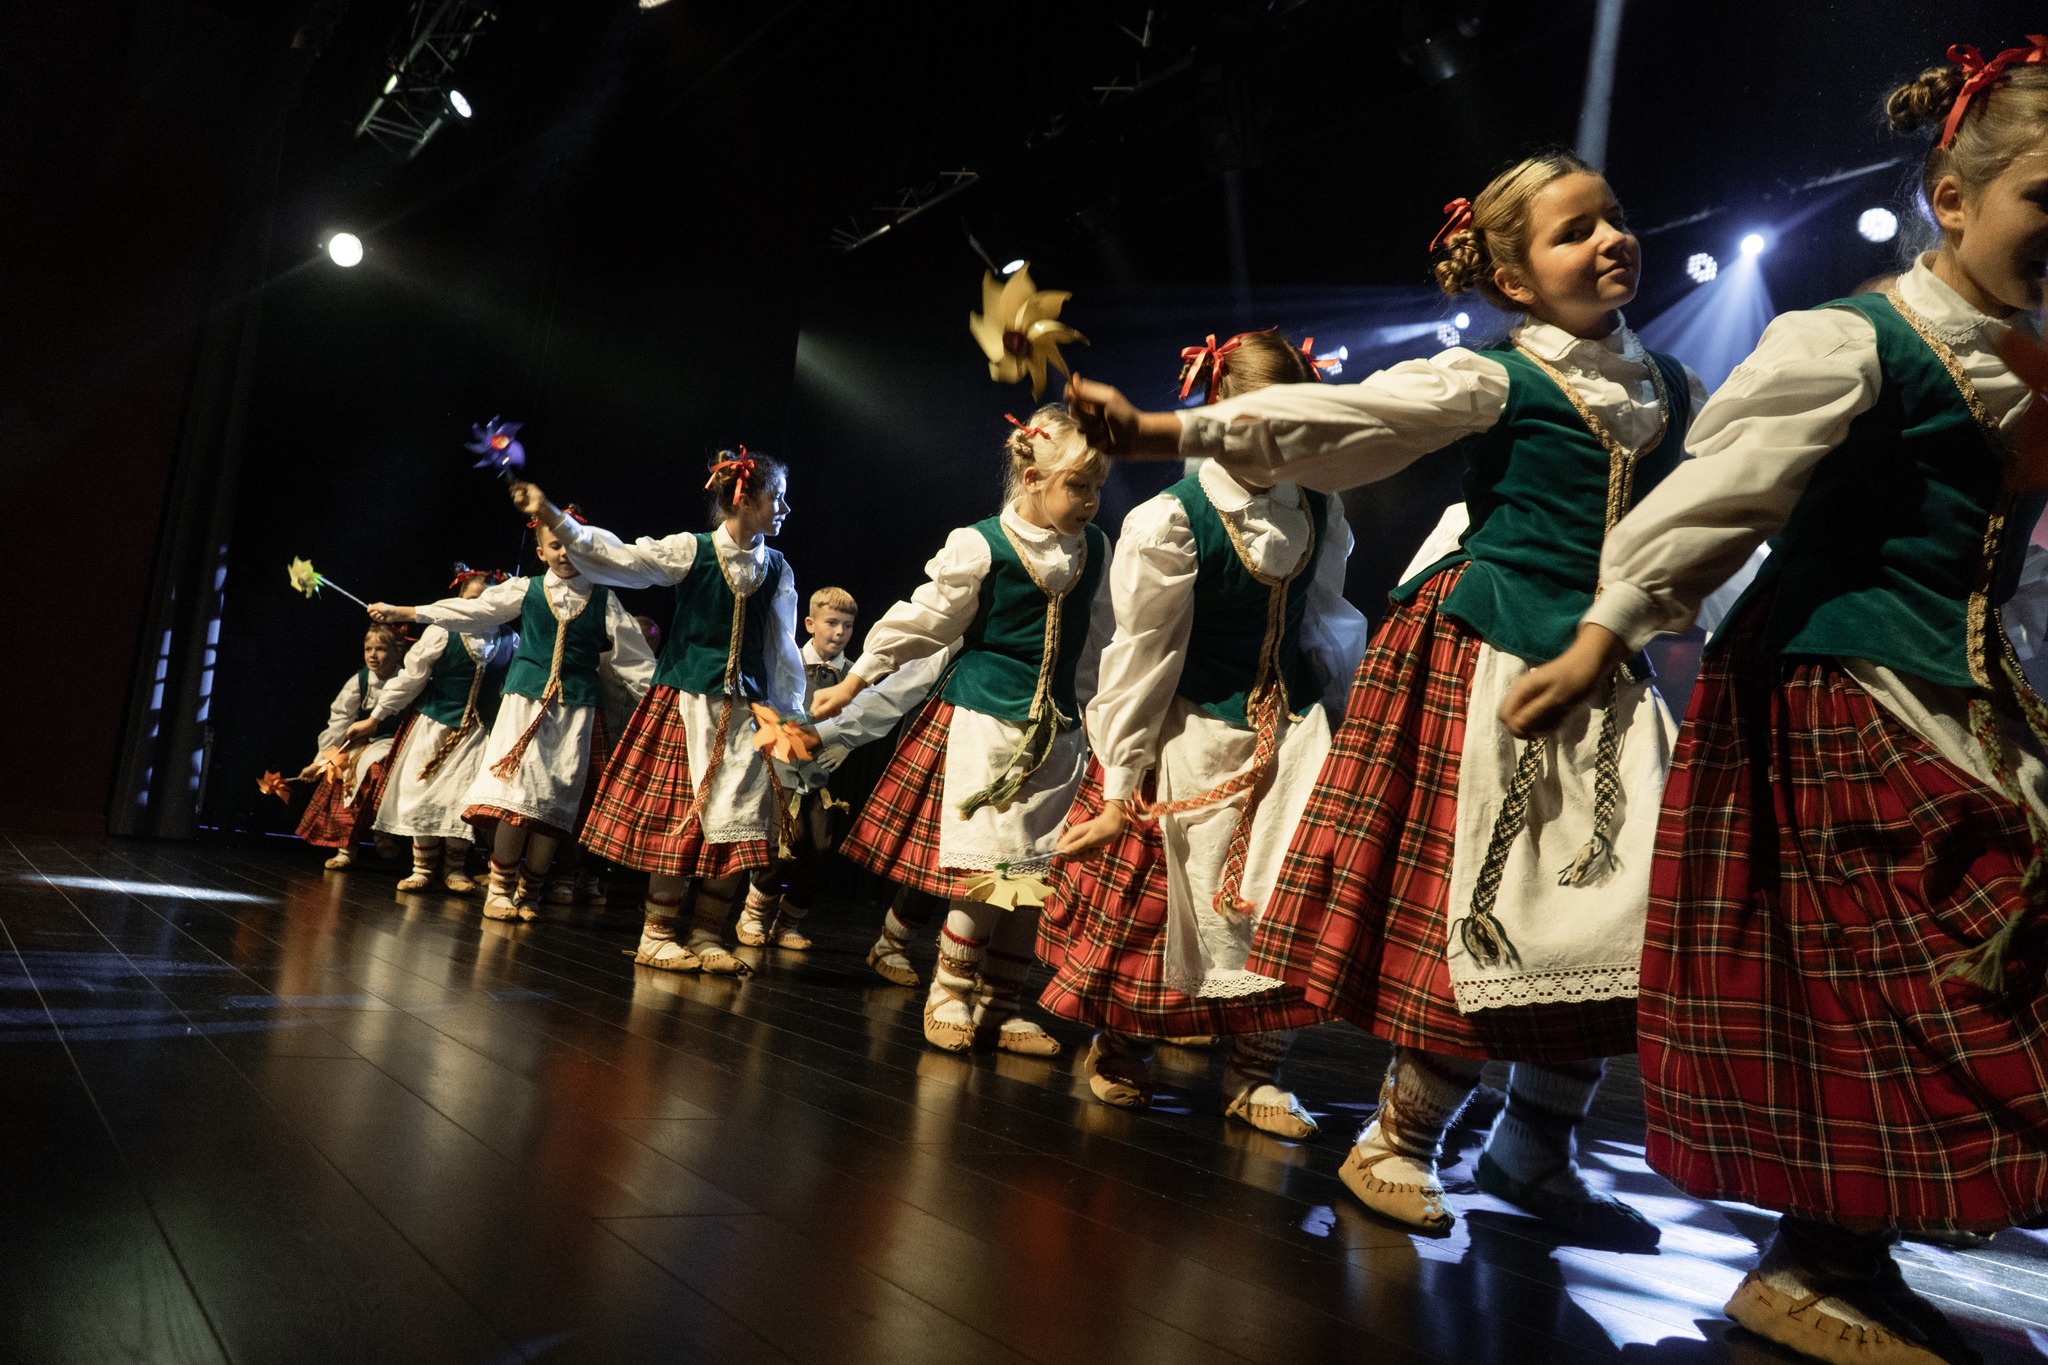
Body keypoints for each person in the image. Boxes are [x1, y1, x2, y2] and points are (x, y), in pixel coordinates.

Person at [1502, 42, 2048, 1364]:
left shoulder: (2024, 358)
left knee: (1936, 983)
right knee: (1899, 986)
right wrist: (1604, 631)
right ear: (1952, 197)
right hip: (1834, 699)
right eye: (2046, 197)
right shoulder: (1850, 340)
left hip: (1957, 696)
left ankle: (1839, 1258)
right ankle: (1809, 1262)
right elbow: (1719, 494)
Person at [1064, 151, 1702, 1244]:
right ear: (1511, 280)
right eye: (1573, 231)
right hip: (1494, 658)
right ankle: (1395, 1141)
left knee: (1624, 908)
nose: (1610, 239)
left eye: (1615, 217)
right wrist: (1168, 432)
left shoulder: (1669, 386)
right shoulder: (1495, 379)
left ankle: (1534, 1145)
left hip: (1604, 673)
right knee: (1492, 905)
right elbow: (1342, 420)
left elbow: (1712, 508)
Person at [1045, 329, 1368, 1138]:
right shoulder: (1172, 520)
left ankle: (1258, 1068)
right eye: (1261, 422)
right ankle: (1121, 1041)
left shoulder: (1318, 507)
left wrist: (1343, 719)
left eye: (1293, 422)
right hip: (1189, 729)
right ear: (1218, 416)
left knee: (1288, 895)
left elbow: (1327, 621)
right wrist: (1119, 786)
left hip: (1291, 732)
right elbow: (1142, 657)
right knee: (1160, 899)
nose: (1278, 441)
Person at [818, 406, 1114, 1055]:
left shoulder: (1095, 548)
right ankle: (949, 989)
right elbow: (925, 619)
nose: (1092, 500)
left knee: (1032, 878)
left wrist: (1098, 725)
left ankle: (1002, 1004)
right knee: (989, 868)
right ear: (1033, 478)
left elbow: (1098, 645)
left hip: (1058, 737)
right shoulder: (982, 544)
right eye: (1078, 486)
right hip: (986, 724)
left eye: (1098, 486)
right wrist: (855, 678)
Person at [516, 452, 805, 977]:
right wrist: (555, 517)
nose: (785, 508)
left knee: (739, 822)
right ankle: (657, 935)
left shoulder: (776, 567)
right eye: (777, 498)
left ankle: (707, 934)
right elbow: (620, 558)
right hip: (687, 703)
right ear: (744, 500)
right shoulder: (691, 550)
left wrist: (788, 714)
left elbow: (780, 647)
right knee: (678, 821)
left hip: (746, 713)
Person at [368, 510, 654, 921]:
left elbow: (636, 662)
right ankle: (500, 888)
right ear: (541, 552)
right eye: (555, 546)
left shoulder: (604, 599)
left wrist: (663, 704)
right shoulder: (526, 590)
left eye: (572, 545)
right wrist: (408, 612)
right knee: (514, 795)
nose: (565, 553)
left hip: (573, 710)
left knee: (554, 801)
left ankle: (531, 890)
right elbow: (471, 613)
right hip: (524, 704)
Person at [362, 565, 515, 893]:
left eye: (488, 600)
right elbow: (410, 678)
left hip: (479, 733)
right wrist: (376, 717)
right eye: (471, 599)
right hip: (436, 725)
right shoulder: (442, 631)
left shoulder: (509, 639)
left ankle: (454, 868)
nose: (478, 607)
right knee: (423, 792)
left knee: (461, 798)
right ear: (458, 601)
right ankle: (422, 867)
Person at [737, 585, 860, 951]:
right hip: (782, 762)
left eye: (848, 625)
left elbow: (862, 717)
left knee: (820, 848)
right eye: (832, 623)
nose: (839, 632)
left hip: (822, 772)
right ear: (810, 623)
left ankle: (789, 920)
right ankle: (754, 912)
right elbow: (764, 702)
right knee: (785, 842)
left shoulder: (853, 674)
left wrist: (847, 746)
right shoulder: (787, 661)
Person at [294, 623, 407, 869]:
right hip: (364, 744)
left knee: (378, 771)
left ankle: (383, 832)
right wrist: (319, 763)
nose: (373, 655)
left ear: (397, 652)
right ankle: (346, 847)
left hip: (397, 743)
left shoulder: (408, 680)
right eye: (368, 649)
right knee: (343, 773)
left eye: (381, 649)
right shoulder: (360, 681)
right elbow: (338, 722)